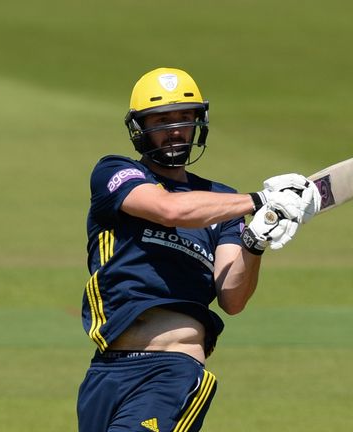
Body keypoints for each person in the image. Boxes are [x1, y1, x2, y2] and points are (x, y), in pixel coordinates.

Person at [76, 67, 320, 432]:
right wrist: (260, 199)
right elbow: (169, 210)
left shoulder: (222, 201)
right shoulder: (116, 172)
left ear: (198, 123)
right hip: (106, 371)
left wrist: (255, 242)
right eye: (161, 120)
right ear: (139, 128)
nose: (174, 129)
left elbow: (233, 298)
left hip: (171, 372)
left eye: (183, 118)